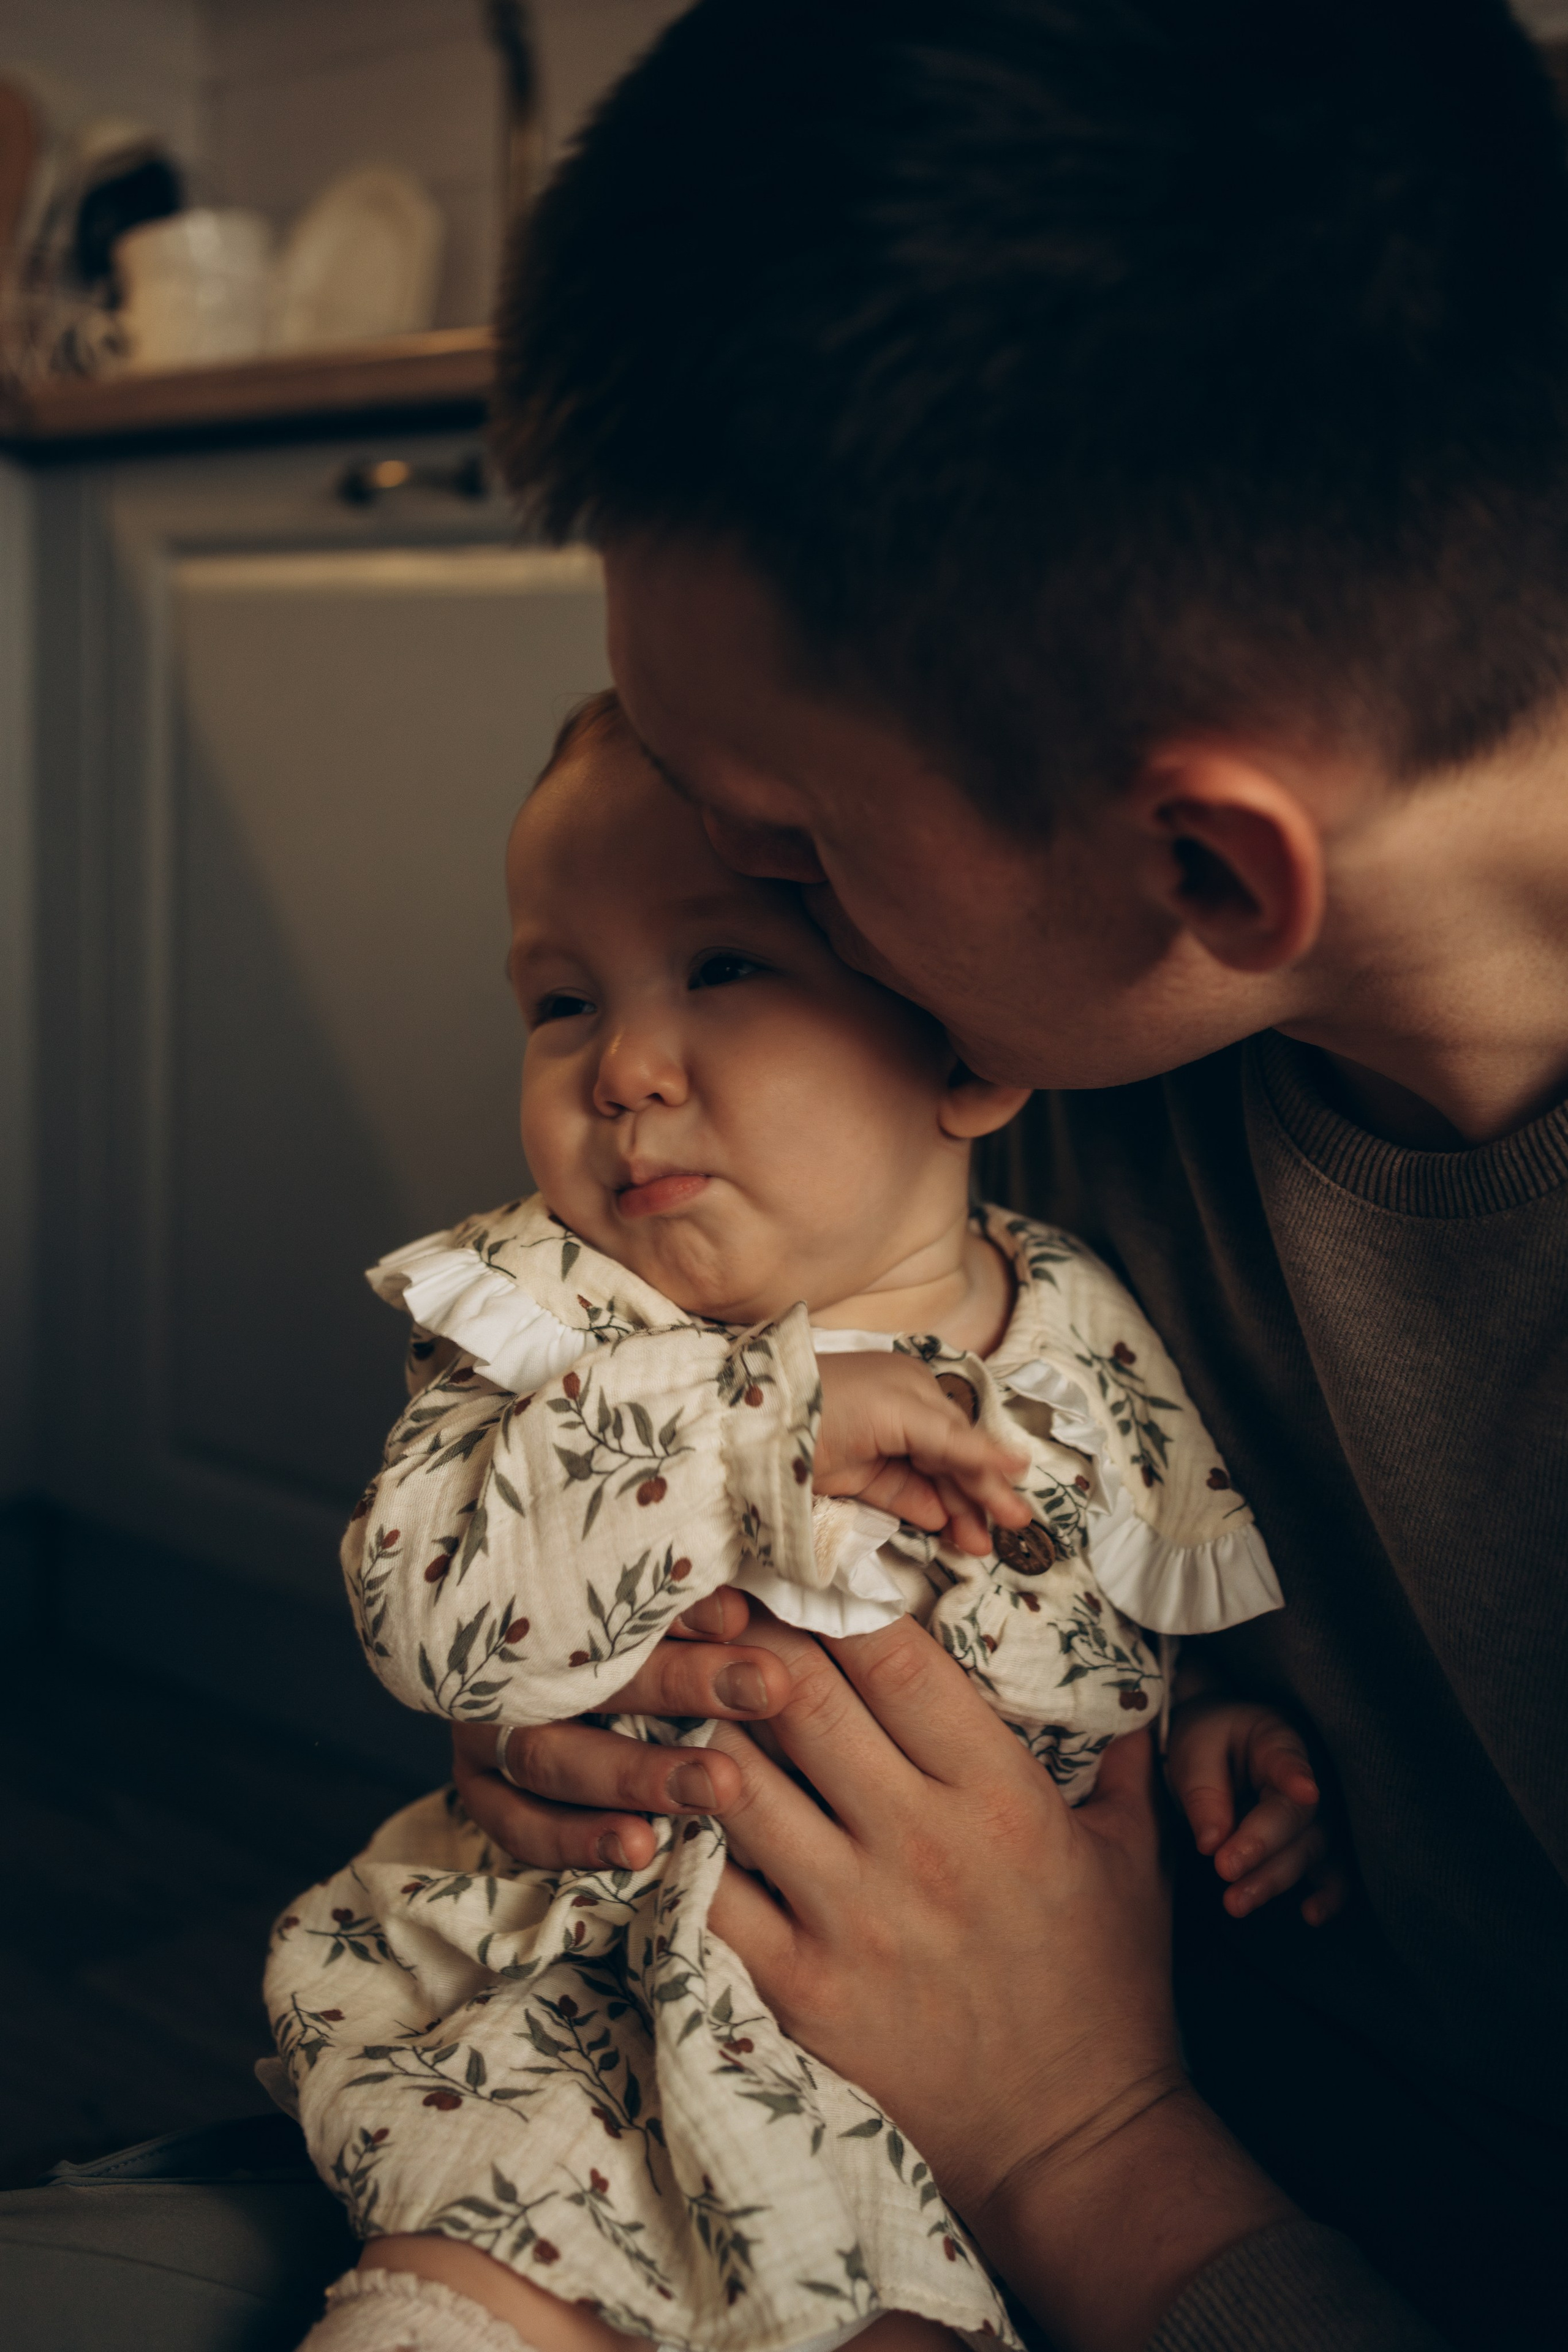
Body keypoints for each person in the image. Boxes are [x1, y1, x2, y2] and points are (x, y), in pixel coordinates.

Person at [433, 3, 1568, 2350]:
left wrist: (1084, 2136)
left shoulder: (1047, 1025)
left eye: (793, 847)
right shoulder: (1057, 1001)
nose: (751, 920)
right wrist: (588, 1661)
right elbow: (590, 1443)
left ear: (1209, 868)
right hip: (727, 2097)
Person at [270, 691, 1316, 2352]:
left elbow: (1119, 1604)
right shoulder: (554, 1310)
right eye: (559, 1002)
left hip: (947, 2109)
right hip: (591, 2014)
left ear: (964, 1046)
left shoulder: (1076, 1326)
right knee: (481, 2299)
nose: (622, 1071)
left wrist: (1206, 1730)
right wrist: (769, 1431)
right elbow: (427, 1613)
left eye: (725, 971)